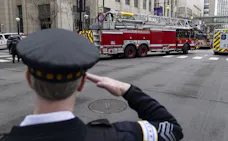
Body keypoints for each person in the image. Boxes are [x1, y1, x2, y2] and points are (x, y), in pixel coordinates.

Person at [0, 28, 183, 141]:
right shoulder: (116, 136)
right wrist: (128, 90)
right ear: (81, 84)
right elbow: (171, 129)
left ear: (29, 79)